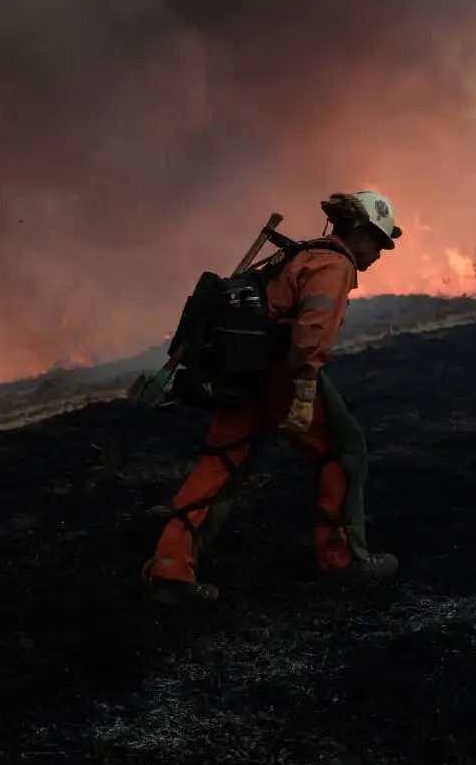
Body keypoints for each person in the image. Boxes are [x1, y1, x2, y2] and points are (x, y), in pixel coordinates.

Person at [144, 192, 403, 605]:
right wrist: (302, 397)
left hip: (244, 369)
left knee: (223, 460)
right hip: (280, 370)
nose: (378, 252)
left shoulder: (302, 254)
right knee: (343, 450)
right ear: (356, 233)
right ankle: (343, 561)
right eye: (376, 242)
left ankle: (170, 568)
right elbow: (310, 335)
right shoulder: (334, 264)